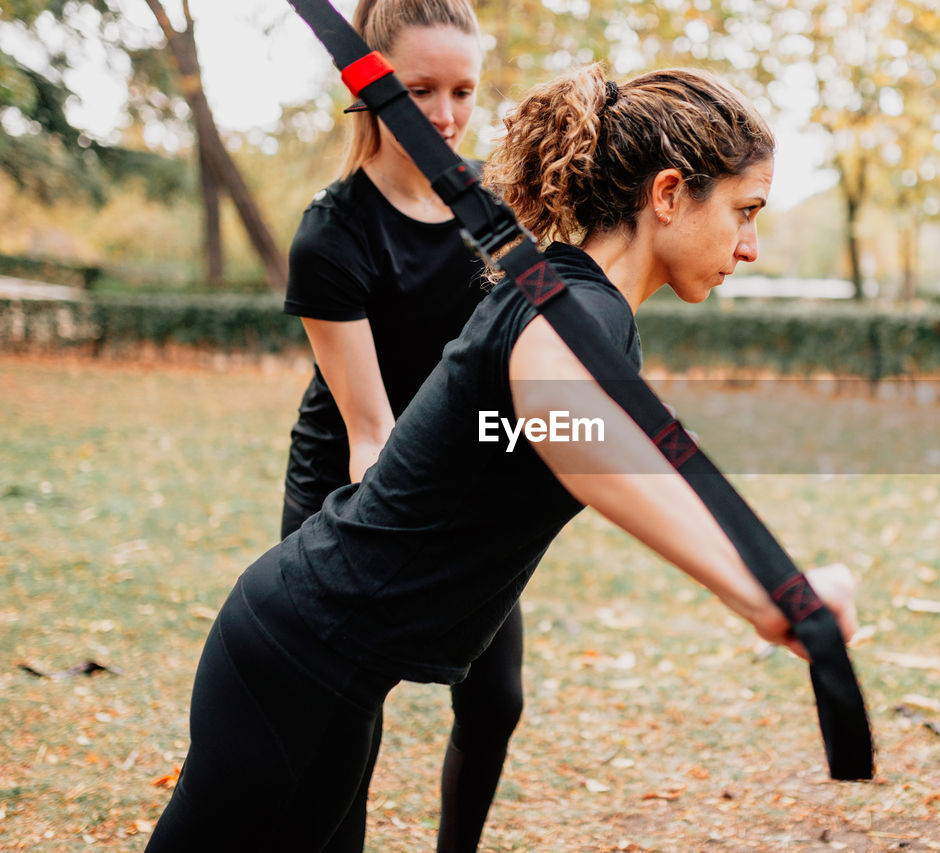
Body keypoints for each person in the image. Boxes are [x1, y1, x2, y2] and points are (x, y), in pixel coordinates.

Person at [146, 62, 857, 852]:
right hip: (299, 664)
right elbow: (574, 439)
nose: (751, 246)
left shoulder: (575, 301)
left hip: (313, 661)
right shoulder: (571, 310)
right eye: (744, 212)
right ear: (666, 196)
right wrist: (761, 593)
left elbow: (519, 438)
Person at [279, 1, 519, 850]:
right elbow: (372, 428)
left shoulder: (498, 208)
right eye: (421, 91)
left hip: (460, 473)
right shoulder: (332, 234)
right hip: (352, 477)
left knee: (495, 700)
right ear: (367, 85)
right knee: (344, 721)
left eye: (463, 91)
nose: (448, 117)